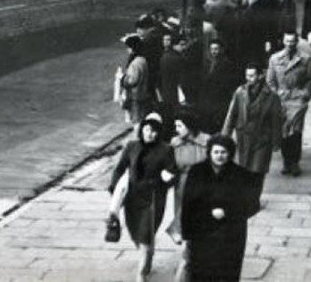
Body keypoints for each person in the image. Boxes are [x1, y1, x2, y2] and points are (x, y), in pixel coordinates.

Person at [106, 113, 177, 280]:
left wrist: (165, 179)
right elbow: (119, 168)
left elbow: (173, 172)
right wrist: (115, 186)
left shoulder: (166, 149)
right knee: (137, 233)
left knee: (146, 232)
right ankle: (148, 254)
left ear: (159, 133)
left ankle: (141, 274)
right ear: (142, 129)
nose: (150, 133)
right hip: (132, 197)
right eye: (147, 129)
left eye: (154, 131)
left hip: (153, 197)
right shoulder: (131, 146)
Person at [180, 134, 260, 282]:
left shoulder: (241, 175)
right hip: (202, 232)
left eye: (223, 152)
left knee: (227, 273)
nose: (220, 156)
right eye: (216, 152)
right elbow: (187, 204)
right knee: (201, 272)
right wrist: (187, 234)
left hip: (230, 234)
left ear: (230, 153)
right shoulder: (197, 172)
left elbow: (252, 205)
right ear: (209, 152)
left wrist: (228, 212)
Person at [221, 63, 283, 204]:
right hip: (242, 138)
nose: (249, 78)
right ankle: (244, 197)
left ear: (260, 75)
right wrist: (225, 136)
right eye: (247, 75)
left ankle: (254, 200)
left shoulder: (271, 96)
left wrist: (276, 142)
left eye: (252, 75)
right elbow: (231, 114)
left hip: (262, 139)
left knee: (257, 171)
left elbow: (276, 121)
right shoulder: (240, 92)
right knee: (243, 170)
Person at [267, 31, 311, 177]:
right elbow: (270, 81)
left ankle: (295, 162)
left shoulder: (305, 59)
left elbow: (310, 80)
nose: (289, 44)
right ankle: (286, 161)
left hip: (297, 100)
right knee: (283, 132)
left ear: (297, 42)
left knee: (296, 131)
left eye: (292, 41)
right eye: (287, 41)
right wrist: (276, 94)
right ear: (283, 41)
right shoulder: (274, 59)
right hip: (280, 101)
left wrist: (305, 95)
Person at [167, 108, 210, 270]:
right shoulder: (174, 143)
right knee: (186, 220)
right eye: (176, 126)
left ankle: (192, 255)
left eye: (179, 126)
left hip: (202, 186)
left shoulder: (206, 141)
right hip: (182, 187)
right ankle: (188, 256)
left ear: (189, 125)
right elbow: (170, 166)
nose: (177, 129)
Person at [199, 40, 239, 134]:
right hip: (208, 99)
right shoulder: (206, 63)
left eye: (216, 49)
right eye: (212, 49)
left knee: (220, 123)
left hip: (220, 99)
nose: (214, 51)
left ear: (221, 50)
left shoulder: (227, 64)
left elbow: (228, 83)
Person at [116, 34, 152, 126]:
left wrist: (122, 78)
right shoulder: (143, 60)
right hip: (142, 93)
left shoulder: (136, 63)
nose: (127, 50)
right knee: (140, 117)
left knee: (136, 120)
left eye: (128, 47)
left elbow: (132, 80)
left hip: (135, 95)